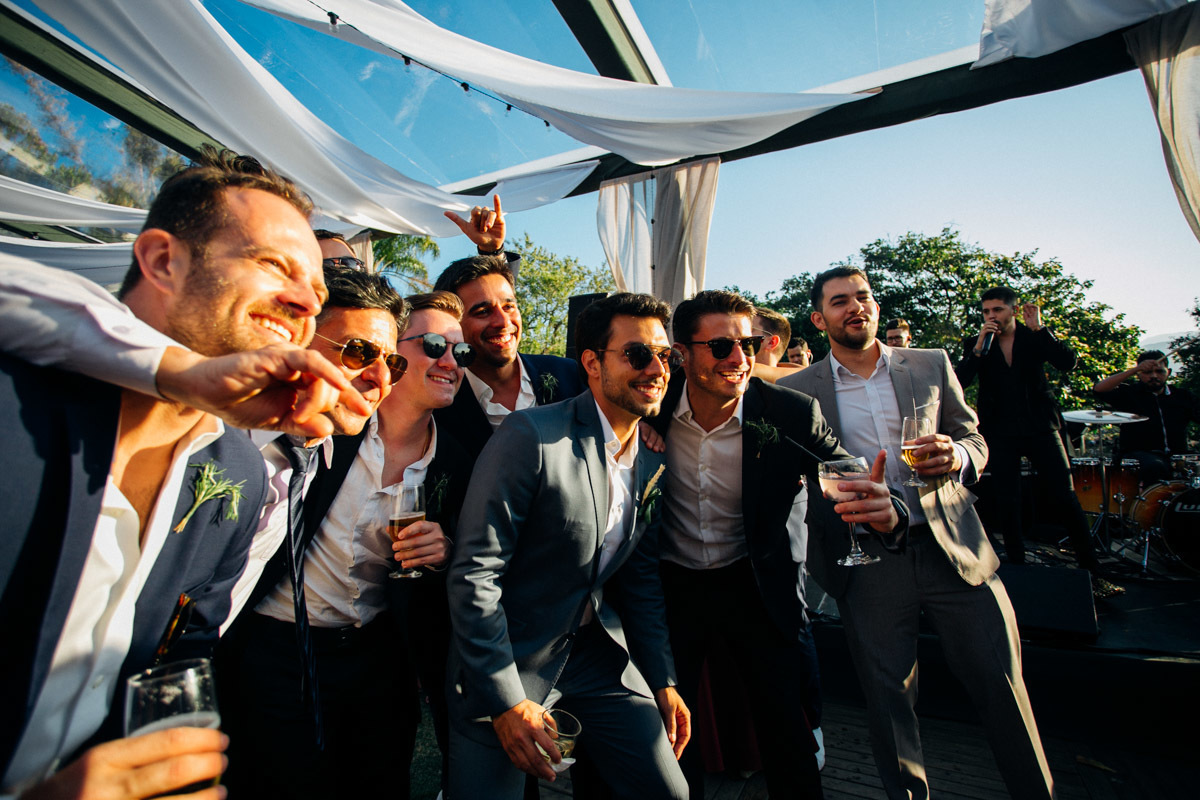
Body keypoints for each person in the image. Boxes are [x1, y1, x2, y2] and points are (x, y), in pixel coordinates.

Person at [0, 149, 333, 798]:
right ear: (161, 260)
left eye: (317, 293)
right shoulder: (15, 408)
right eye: (274, 264)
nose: (303, 303)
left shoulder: (241, 475)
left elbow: (179, 661)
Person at [781, 267, 1055, 800]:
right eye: (839, 301)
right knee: (889, 703)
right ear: (818, 318)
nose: (855, 307)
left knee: (1003, 687)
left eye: (863, 296)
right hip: (868, 560)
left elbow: (973, 437)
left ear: (876, 307)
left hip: (954, 548)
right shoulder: (797, 390)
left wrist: (959, 455)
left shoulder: (930, 364)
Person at [652, 290, 903, 799]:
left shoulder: (789, 412)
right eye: (721, 346)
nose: (739, 358)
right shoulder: (650, 406)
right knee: (672, 731)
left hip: (755, 582)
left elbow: (848, 473)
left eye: (749, 344)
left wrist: (888, 509)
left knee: (786, 728)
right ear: (682, 354)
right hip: (671, 586)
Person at [445, 293, 689, 800]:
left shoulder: (651, 459)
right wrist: (506, 700)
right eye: (638, 354)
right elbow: (475, 574)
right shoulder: (532, 434)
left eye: (665, 355)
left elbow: (640, 581)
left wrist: (663, 679)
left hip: (597, 655)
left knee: (669, 792)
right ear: (592, 364)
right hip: (508, 660)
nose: (657, 369)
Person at [216, 267, 412, 798]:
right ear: (298, 340)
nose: (381, 377)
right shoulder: (219, 440)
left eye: (392, 362)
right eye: (358, 352)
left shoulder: (321, 448)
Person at [955, 286, 1121, 596]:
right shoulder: (978, 344)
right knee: (1007, 499)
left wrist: (1040, 330)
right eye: (986, 311)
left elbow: (1067, 362)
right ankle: (1016, 567)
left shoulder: (1033, 336)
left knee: (1065, 496)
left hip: (1041, 427)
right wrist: (977, 350)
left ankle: (1092, 570)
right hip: (1000, 431)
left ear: (1013, 310)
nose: (991, 316)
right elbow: (960, 382)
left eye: (997, 310)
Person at [431, 225, 584, 460]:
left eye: (509, 306)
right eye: (483, 311)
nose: (503, 321)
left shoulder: (569, 375)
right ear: (453, 324)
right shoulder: (441, 408)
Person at [1093, 350, 1200, 482]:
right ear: (1139, 374)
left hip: (1179, 456)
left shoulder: (1183, 396)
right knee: (1155, 466)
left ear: (1168, 372)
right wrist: (1134, 369)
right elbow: (1099, 389)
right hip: (1140, 455)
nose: (1154, 376)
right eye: (1147, 372)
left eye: (1159, 371)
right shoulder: (1129, 394)